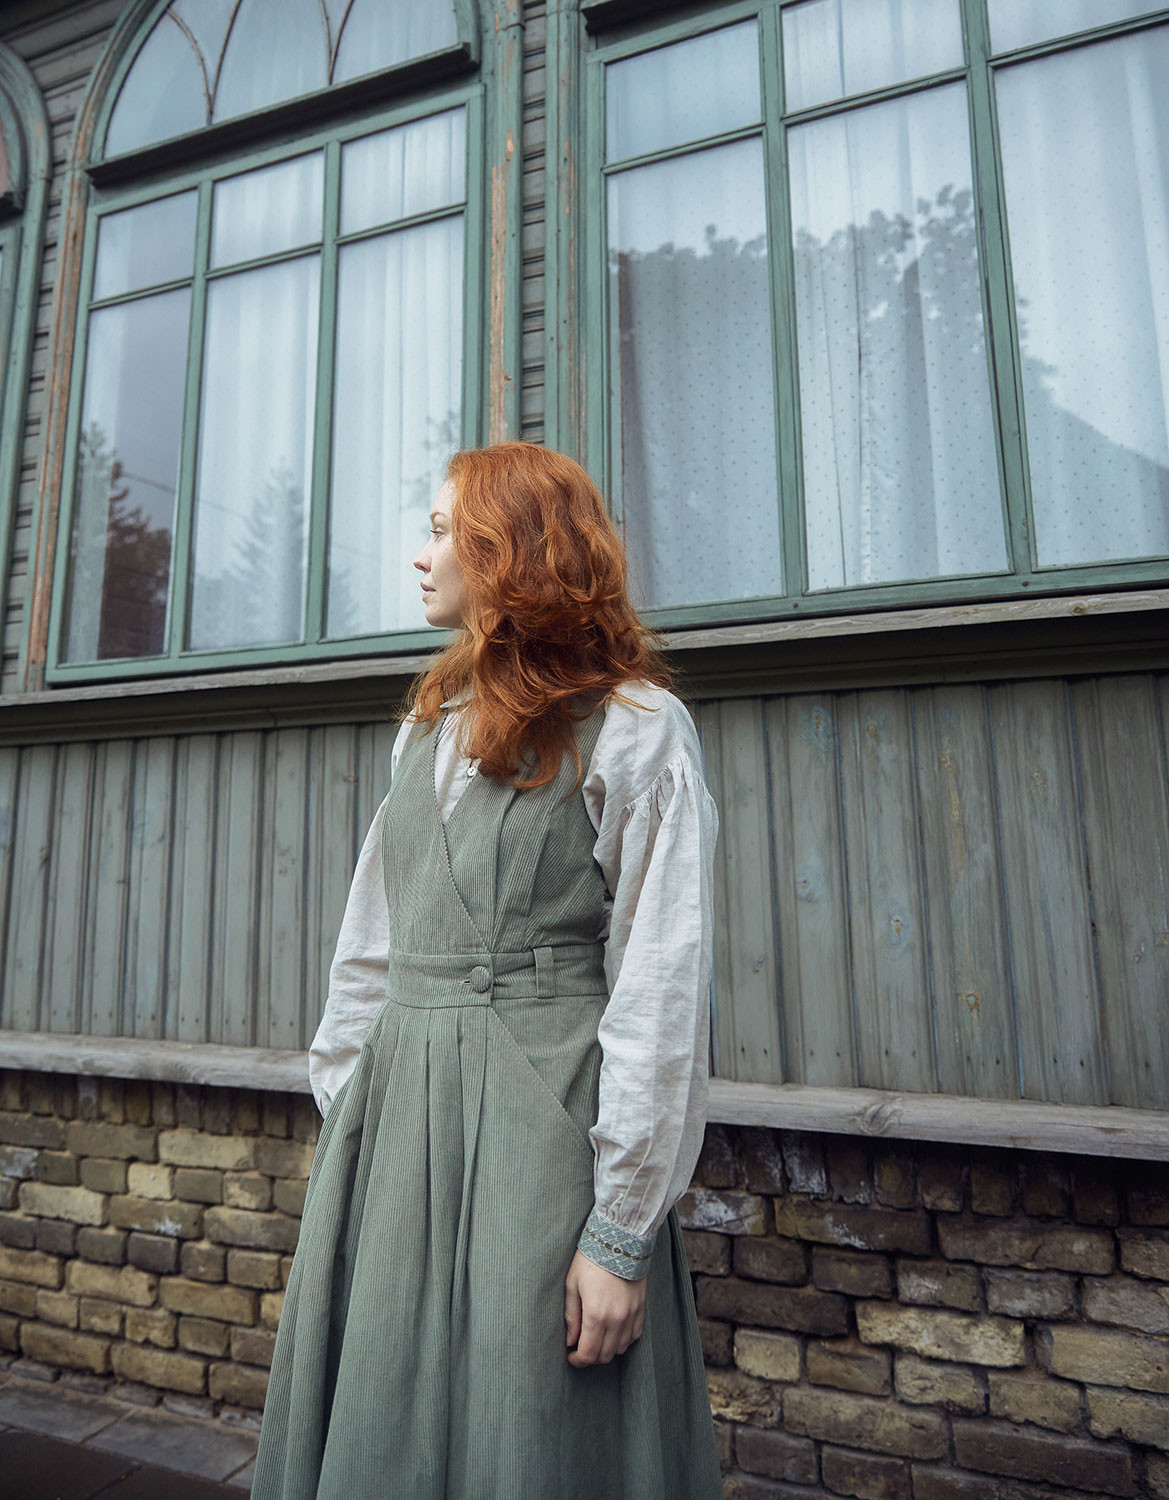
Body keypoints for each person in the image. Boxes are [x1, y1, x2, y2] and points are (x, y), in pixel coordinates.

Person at [250, 442, 723, 1500]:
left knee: (531, 1425)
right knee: (384, 1417)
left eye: (442, 532)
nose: (421, 557)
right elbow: (373, 942)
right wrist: (356, 1110)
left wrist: (618, 1234)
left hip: (539, 1128)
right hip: (396, 1136)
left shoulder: (635, 730)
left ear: (511, 551)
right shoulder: (427, 731)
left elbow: (660, 990)